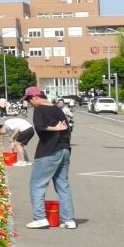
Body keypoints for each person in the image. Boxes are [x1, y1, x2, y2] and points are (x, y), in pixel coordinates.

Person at [16, 86, 75, 229]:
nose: (30, 103)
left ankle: (40, 218)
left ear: (35, 97)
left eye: (29, 100)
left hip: (49, 151)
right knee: (63, 185)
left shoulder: (39, 109)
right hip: (64, 150)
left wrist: (54, 128)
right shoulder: (57, 109)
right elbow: (66, 129)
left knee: (37, 185)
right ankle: (69, 220)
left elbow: (40, 126)